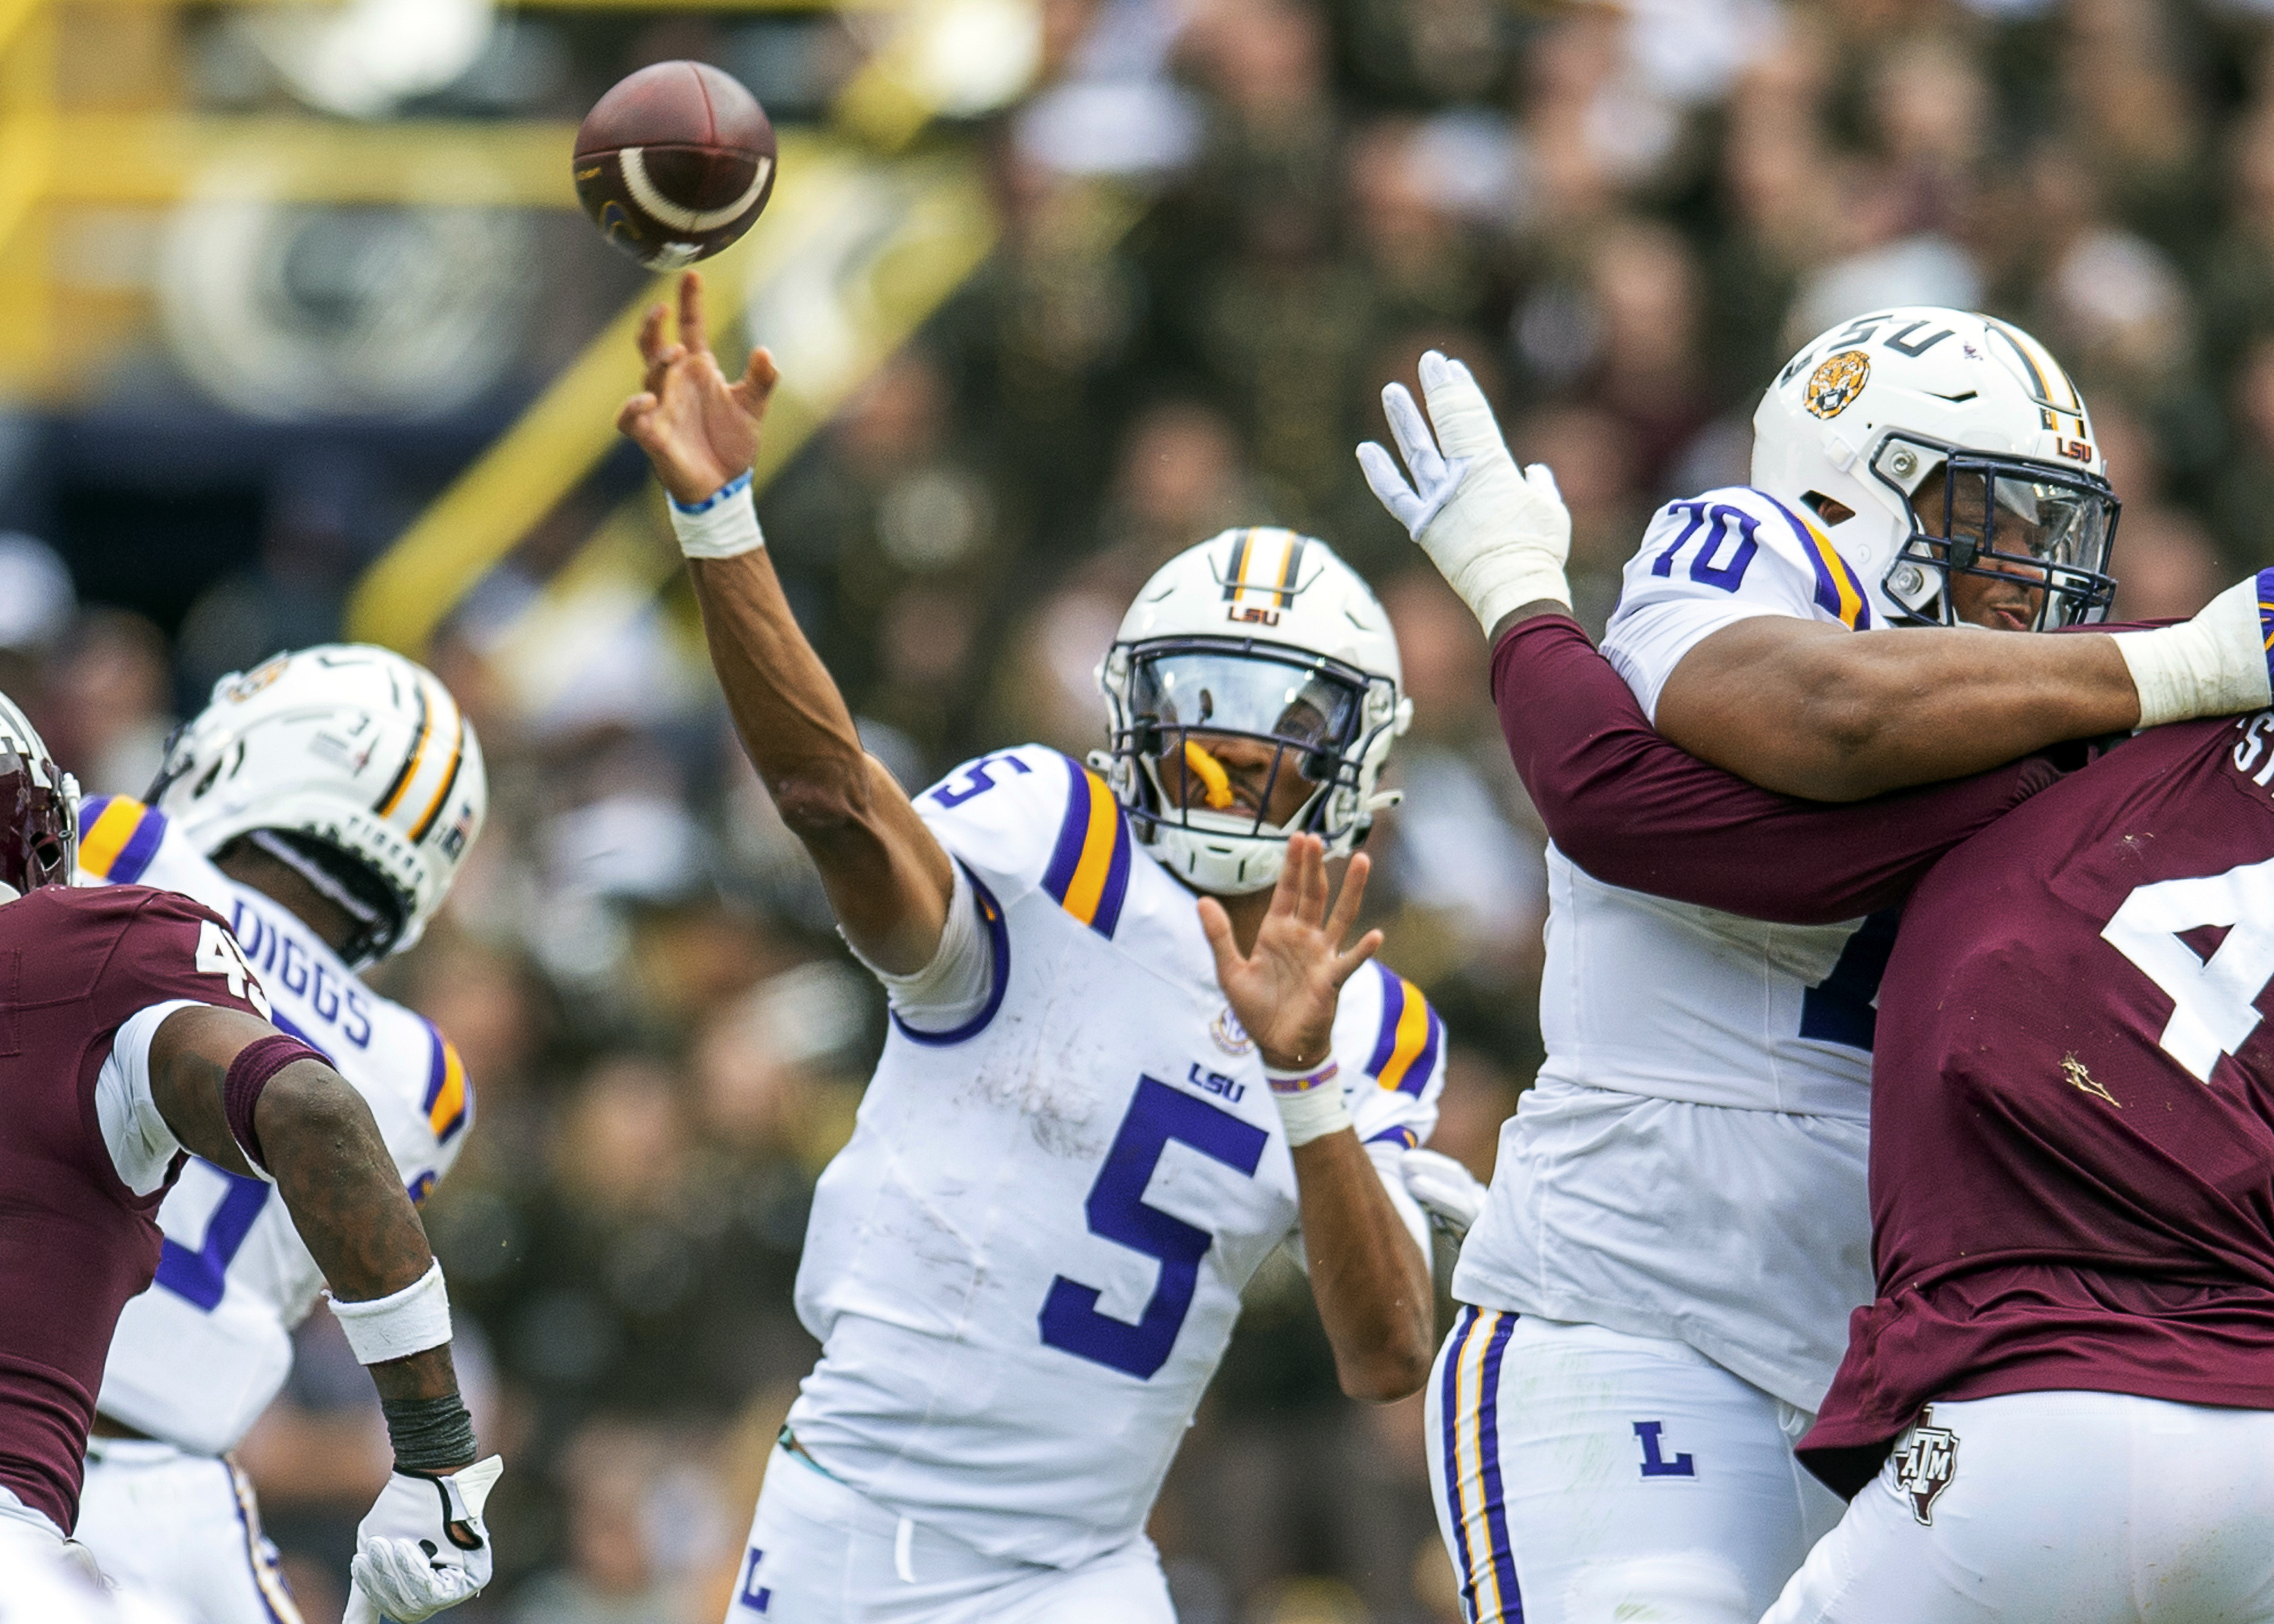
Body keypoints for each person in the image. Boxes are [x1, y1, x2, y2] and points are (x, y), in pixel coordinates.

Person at [1357, 311, 2274, 1622]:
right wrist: (2177, 667)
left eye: (2050, 528)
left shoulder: (2056, 695)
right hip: (1642, 1316)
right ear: (1850, 486)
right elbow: (1809, 727)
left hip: (1894, 1370)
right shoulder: (1748, 557)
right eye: (1995, 514)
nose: (2030, 568)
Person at [619, 272, 1448, 1622]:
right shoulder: (1053, 838)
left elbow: (1390, 1350)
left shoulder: (1374, 1021)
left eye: (1272, 742)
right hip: (858, 1521)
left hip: (1082, 1568)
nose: (1229, 766)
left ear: (1353, 769)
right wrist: (720, 522)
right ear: (1131, 712)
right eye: (1200, 717)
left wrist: (1305, 1080)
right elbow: (832, 803)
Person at [0, 690, 502, 1622]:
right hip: (180, 1493)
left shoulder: (131, 853)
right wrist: (438, 1447)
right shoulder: (430, 1082)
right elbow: (326, 1162)